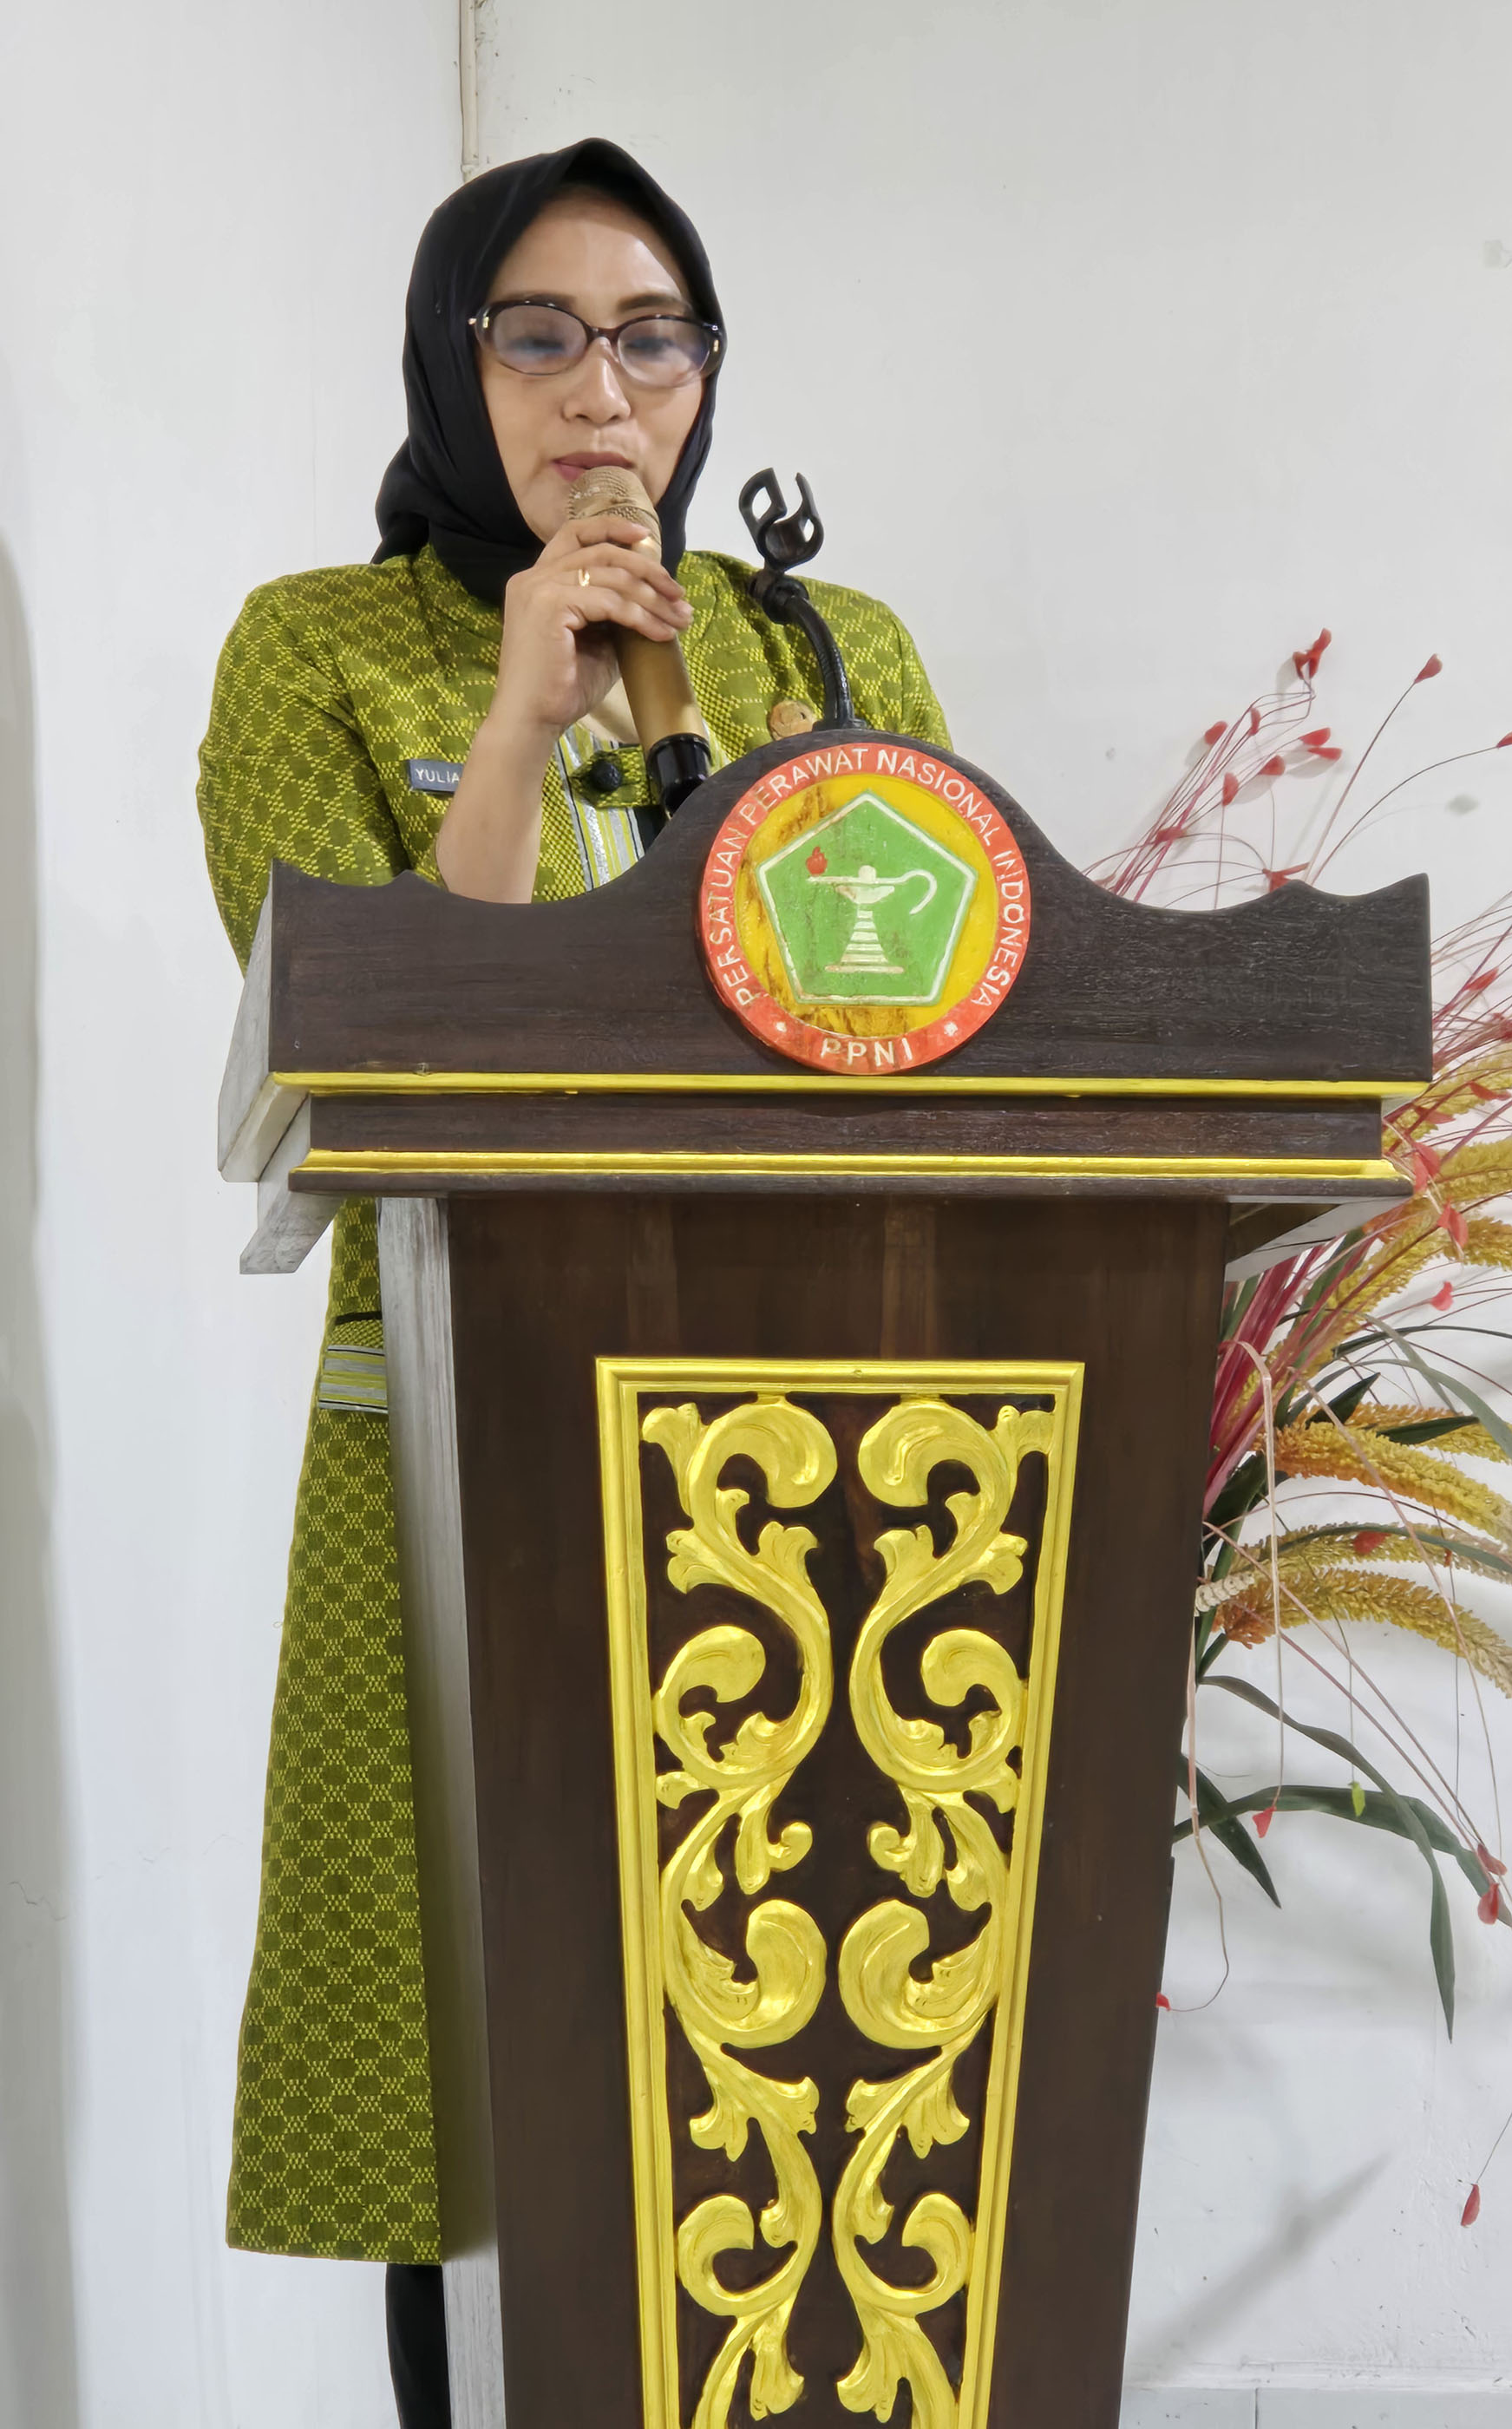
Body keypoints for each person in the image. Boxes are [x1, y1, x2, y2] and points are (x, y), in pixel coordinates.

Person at [195, 138, 949, 2429]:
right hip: (459, 1446)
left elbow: (919, 1035)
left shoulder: (830, 653)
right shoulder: (317, 652)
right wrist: (523, 725)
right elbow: (376, 1042)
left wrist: (680, 721)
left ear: (708, 377)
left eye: (651, 340)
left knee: (796, 2051)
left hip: (816, 1452)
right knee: (485, 2060)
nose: (599, 394)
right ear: (454, 363)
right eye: (536, 337)